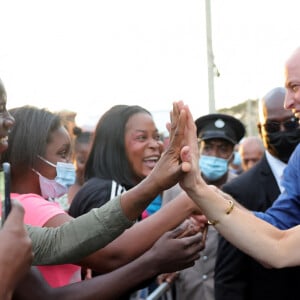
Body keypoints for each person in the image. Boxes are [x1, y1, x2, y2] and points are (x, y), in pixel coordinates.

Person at [0, 76, 197, 296]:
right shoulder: (27, 206)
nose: (8, 120)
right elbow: (111, 253)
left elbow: (66, 240)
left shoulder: (26, 206)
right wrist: (188, 201)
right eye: (62, 154)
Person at [68, 104, 206, 298]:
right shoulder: (109, 191)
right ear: (115, 145)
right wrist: (187, 203)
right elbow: (114, 260)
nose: (155, 145)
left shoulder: (116, 189)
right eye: (142, 137)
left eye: (156, 137)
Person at [215, 86, 300, 300]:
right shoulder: (238, 191)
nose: (282, 131)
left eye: (290, 124)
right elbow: (229, 278)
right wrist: (213, 203)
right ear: (260, 127)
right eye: (272, 125)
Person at [163, 113, 245, 300]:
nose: (214, 155)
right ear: (197, 149)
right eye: (207, 148)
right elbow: (163, 236)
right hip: (186, 290)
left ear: (232, 155)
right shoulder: (175, 189)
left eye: (223, 149)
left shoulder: (242, 190)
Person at [68, 127, 93, 206]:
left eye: (92, 161)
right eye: (82, 161)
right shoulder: (63, 187)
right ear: (73, 157)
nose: (87, 166)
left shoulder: (100, 189)